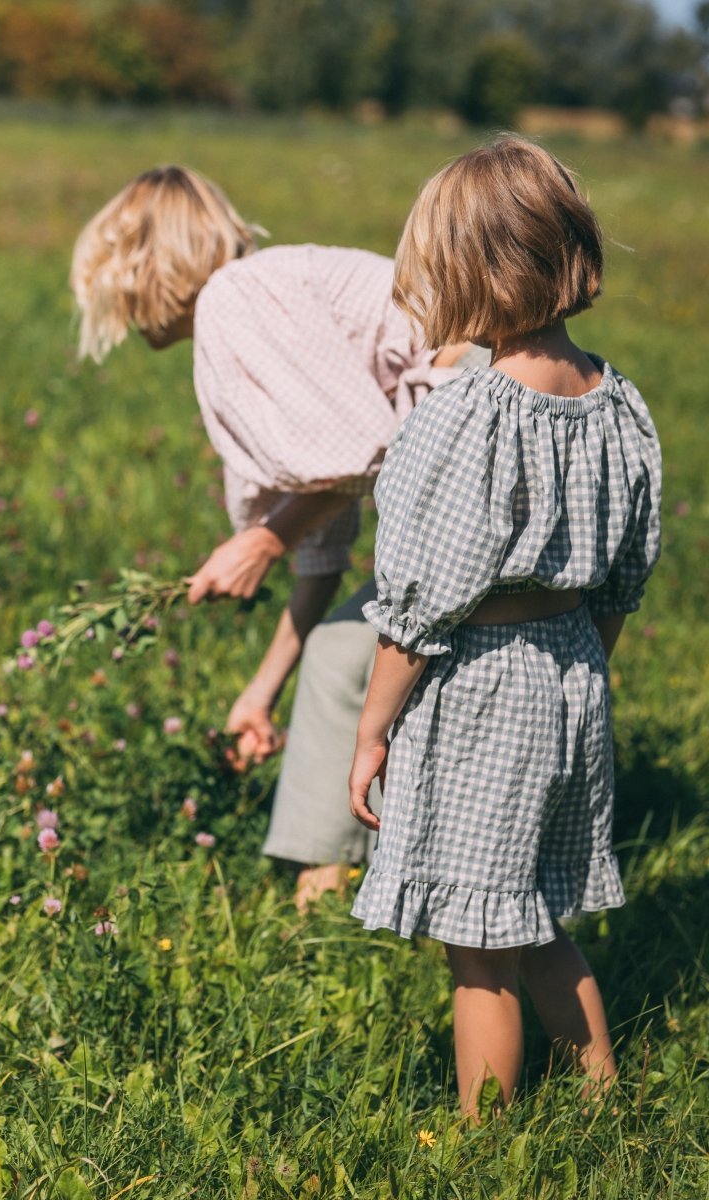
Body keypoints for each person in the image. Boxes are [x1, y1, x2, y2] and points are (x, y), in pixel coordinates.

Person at [348, 136, 662, 1118]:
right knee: (531, 914)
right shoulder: (617, 403)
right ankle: (599, 1096)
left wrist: (369, 733)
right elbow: (620, 579)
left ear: (464, 279)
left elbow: (415, 605)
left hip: (477, 685)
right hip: (570, 669)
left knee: (477, 943)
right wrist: (578, 675)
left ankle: (486, 1142)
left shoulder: (466, 415)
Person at [70, 165, 481, 908]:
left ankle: (329, 893)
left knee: (351, 655)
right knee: (344, 652)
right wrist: (258, 696)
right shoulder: (254, 301)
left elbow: (360, 453)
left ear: (144, 267)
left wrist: (262, 543)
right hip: (468, 432)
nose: (120, 313)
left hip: (474, 418)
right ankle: (351, 881)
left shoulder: (239, 297)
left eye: (114, 283)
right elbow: (321, 551)